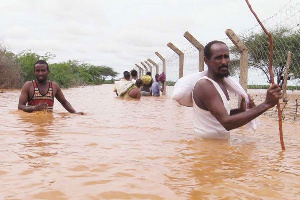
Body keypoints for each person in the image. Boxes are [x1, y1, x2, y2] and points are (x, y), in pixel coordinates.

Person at [192, 40, 282, 139]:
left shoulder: (220, 83)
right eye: (218, 58)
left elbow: (218, 115)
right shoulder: (205, 85)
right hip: (207, 148)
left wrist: (241, 110)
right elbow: (226, 123)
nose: (224, 61)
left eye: (226, 56)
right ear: (206, 60)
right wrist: (266, 104)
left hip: (217, 147)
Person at [18, 60, 84, 114]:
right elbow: (20, 106)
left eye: (43, 70)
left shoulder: (54, 86)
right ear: (34, 72)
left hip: (49, 125)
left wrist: (75, 113)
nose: (40, 73)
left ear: (48, 72)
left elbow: (64, 102)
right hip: (32, 123)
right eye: (37, 71)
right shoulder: (28, 85)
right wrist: (34, 108)